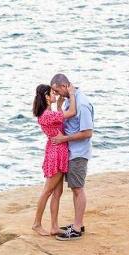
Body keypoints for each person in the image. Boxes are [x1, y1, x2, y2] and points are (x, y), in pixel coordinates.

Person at [49, 73, 94, 241]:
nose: (57, 94)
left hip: (78, 153)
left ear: (63, 86)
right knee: (75, 188)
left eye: (57, 91)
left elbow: (88, 132)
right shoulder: (70, 99)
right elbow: (67, 121)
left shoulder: (81, 103)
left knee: (77, 188)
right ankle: (77, 223)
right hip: (72, 152)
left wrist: (64, 139)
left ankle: (77, 227)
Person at [31, 84, 76, 236]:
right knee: (47, 191)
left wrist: (58, 105)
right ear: (46, 96)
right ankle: (37, 224)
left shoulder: (48, 112)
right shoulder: (47, 115)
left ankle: (54, 227)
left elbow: (59, 124)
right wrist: (72, 94)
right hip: (56, 153)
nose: (56, 94)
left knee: (57, 192)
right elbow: (72, 112)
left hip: (57, 150)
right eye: (52, 93)